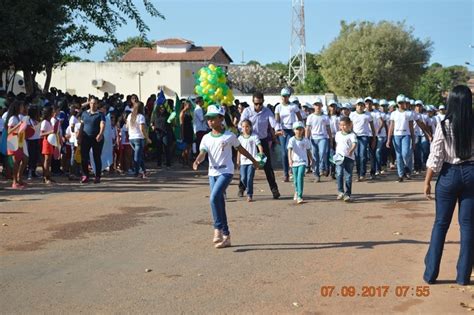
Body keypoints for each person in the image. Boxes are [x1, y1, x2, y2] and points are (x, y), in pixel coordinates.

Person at [423, 85, 474, 286]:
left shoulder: (443, 125)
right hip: (471, 173)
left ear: (451, 102)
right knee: (468, 226)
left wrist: (427, 181)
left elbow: (435, 157)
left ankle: (431, 273)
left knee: (441, 224)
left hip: (448, 175)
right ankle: (463, 276)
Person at [193, 104, 259, 249]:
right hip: (212, 173)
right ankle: (226, 236)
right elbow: (203, 153)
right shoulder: (205, 137)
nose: (210, 121)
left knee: (213, 197)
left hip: (226, 172)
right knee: (219, 202)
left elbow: (241, 149)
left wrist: (254, 161)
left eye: (213, 118)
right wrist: (198, 160)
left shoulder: (229, 136)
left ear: (221, 118)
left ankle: (217, 229)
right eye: (208, 118)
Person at [238, 91, 281, 199]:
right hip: (249, 141)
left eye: (260, 103)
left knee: (267, 166)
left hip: (262, 141)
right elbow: (240, 125)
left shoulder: (267, 111)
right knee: (246, 165)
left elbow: (273, 122)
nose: (258, 106)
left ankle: (274, 189)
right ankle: (241, 188)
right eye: (256, 103)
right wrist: (246, 132)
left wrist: (278, 129)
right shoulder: (247, 111)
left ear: (263, 102)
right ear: (253, 102)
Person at [275, 87, 303, 182]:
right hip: (283, 130)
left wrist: (299, 129)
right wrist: (278, 130)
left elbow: (300, 118)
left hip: (292, 130)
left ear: (289, 96)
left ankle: (292, 170)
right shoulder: (278, 107)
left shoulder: (293, 106)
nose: (285, 98)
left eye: (286, 96)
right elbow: (277, 120)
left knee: (290, 150)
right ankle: (285, 173)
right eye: (283, 96)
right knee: (283, 153)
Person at [387, 95, 416, 182]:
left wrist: (413, 140)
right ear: (397, 104)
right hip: (396, 136)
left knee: (405, 153)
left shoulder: (409, 113)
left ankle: (407, 167)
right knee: (398, 156)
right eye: (399, 103)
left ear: (405, 103)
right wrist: (389, 139)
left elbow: (411, 127)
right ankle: (400, 175)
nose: (401, 104)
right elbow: (391, 127)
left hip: (406, 135)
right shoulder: (393, 114)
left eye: (402, 103)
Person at [77, 96, 105, 184]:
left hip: (96, 138)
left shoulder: (100, 114)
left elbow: (102, 124)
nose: (93, 105)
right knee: (84, 157)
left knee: (97, 157)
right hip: (86, 138)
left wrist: (100, 134)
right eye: (91, 103)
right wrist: (79, 137)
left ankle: (97, 176)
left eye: (95, 103)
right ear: (89, 104)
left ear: (97, 104)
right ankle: (85, 175)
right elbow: (82, 126)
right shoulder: (84, 114)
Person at [305, 98, 332, 182]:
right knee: (314, 157)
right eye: (316, 105)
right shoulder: (310, 117)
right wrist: (306, 139)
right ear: (314, 106)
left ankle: (321, 169)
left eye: (319, 105)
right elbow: (308, 129)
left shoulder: (325, 117)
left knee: (322, 152)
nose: (318, 106)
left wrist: (330, 138)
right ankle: (316, 174)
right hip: (313, 138)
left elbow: (328, 128)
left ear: (322, 106)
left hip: (323, 138)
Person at [349, 98, 376, 181]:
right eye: (358, 105)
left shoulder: (368, 115)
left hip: (364, 136)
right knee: (357, 156)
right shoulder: (352, 114)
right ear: (356, 106)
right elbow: (350, 126)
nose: (360, 107)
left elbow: (372, 126)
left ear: (364, 106)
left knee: (363, 155)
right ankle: (358, 173)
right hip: (355, 136)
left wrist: (374, 137)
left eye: (361, 105)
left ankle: (362, 174)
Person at [237, 119, 264, 202]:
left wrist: (261, 154)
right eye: (243, 127)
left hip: (252, 161)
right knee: (243, 178)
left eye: (247, 126)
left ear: (250, 127)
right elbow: (239, 150)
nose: (245, 128)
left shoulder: (254, 136)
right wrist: (238, 160)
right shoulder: (240, 138)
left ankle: (249, 194)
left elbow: (259, 145)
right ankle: (247, 188)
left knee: (249, 178)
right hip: (243, 161)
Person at [288, 121, 312, 204]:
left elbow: (308, 150)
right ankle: (296, 191)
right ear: (294, 130)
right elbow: (289, 150)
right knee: (295, 179)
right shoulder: (292, 140)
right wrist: (290, 159)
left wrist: (311, 159)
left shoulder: (306, 140)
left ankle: (300, 196)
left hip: (303, 161)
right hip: (294, 161)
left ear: (303, 130)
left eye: (301, 129)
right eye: (297, 129)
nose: (299, 131)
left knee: (300, 177)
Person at [334, 117, 358, 202]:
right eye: (341, 125)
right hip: (339, 157)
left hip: (349, 157)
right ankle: (340, 191)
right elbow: (337, 144)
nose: (343, 127)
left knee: (348, 176)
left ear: (349, 125)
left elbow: (354, 144)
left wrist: (351, 151)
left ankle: (347, 194)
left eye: (345, 125)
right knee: (339, 173)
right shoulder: (337, 134)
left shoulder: (352, 135)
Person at [6, 100, 27, 188]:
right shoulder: (13, 118)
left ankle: (19, 179)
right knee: (16, 161)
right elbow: (9, 131)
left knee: (24, 159)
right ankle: (15, 182)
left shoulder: (18, 117)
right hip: (13, 140)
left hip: (19, 140)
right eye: (21, 106)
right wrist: (19, 125)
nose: (23, 108)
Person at [127, 101, 151, 178]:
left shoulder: (129, 116)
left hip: (131, 138)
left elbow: (127, 126)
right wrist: (147, 138)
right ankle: (137, 172)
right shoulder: (141, 117)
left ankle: (143, 171)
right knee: (137, 157)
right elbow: (142, 129)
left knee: (138, 155)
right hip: (139, 137)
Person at [40, 106, 55, 185]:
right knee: (46, 159)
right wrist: (50, 132)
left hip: (50, 141)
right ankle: (45, 177)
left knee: (49, 160)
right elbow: (41, 134)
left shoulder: (49, 121)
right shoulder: (45, 122)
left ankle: (48, 175)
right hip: (46, 142)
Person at [26, 106, 41, 180]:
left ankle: (33, 171)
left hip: (36, 139)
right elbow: (28, 130)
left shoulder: (37, 120)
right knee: (30, 157)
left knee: (35, 157)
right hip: (30, 141)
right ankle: (29, 172)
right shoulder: (28, 120)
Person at [179, 99, 194, 167]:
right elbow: (181, 124)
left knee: (189, 146)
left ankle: (186, 161)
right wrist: (182, 134)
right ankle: (185, 161)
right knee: (185, 147)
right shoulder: (182, 113)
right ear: (185, 105)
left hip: (190, 130)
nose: (190, 106)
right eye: (189, 105)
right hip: (185, 131)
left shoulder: (189, 112)